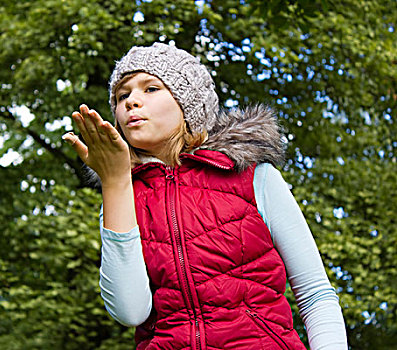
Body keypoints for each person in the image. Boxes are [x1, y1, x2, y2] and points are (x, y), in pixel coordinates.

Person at [62, 43, 348, 350]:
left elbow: (315, 294)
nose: (131, 101)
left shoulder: (252, 177)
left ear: (189, 104)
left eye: (150, 88)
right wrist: (116, 182)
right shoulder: (120, 195)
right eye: (122, 95)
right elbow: (130, 311)